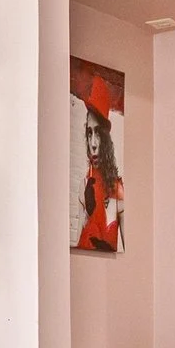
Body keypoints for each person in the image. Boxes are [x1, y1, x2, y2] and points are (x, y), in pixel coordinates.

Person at [77, 102, 123, 251]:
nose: (93, 144)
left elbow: (131, 255)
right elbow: (78, 249)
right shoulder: (84, 185)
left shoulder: (118, 190)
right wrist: (87, 214)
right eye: (89, 133)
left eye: (98, 133)